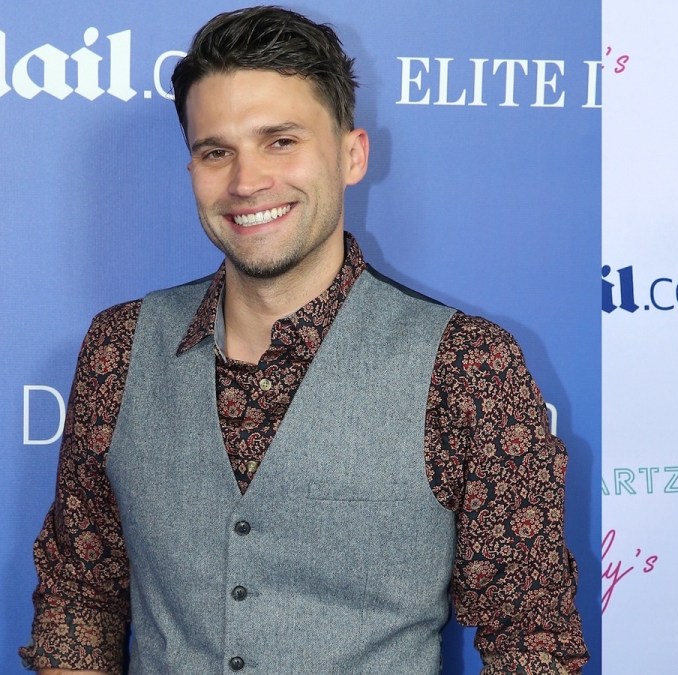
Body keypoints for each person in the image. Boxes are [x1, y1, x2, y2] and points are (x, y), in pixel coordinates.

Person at [20, 6, 587, 674]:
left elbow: (531, 642)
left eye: (280, 140)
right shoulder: (117, 349)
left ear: (352, 154)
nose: (246, 181)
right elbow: (79, 599)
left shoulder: (468, 367)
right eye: (215, 151)